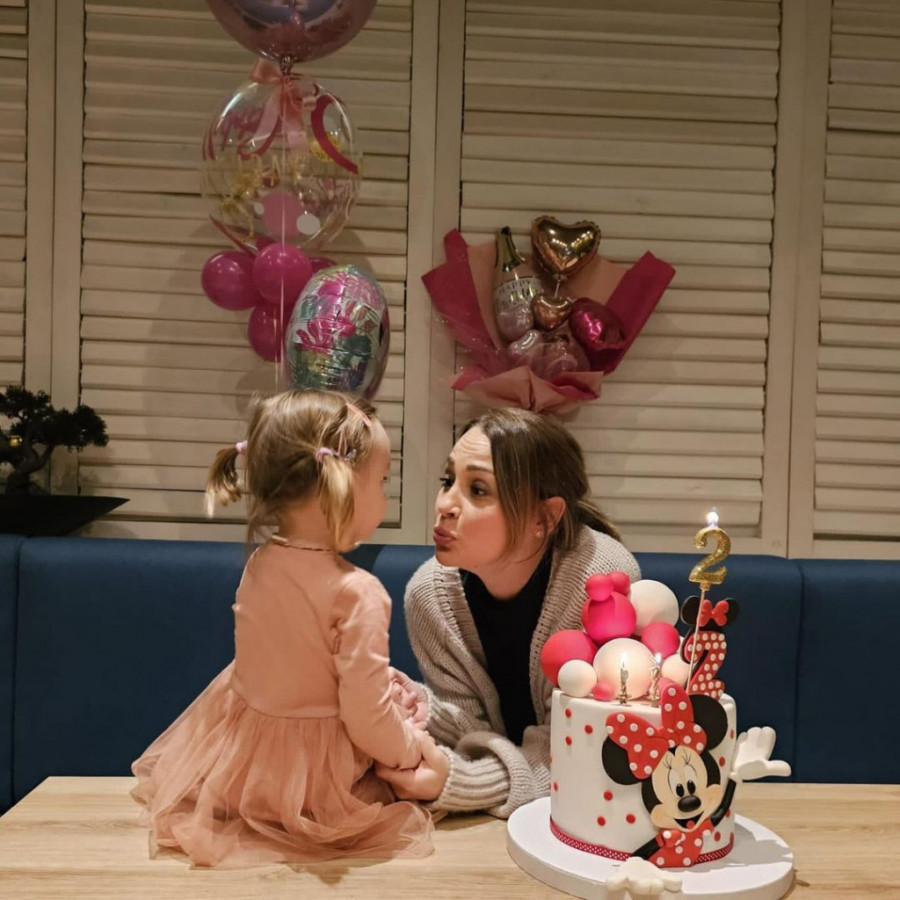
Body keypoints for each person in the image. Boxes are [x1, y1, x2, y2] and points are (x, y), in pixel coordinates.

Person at [132, 390, 434, 866]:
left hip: (239, 771)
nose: (384, 493)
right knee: (406, 750)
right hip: (315, 789)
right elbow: (368, 719)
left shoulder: (261, 564)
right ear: (338, 486)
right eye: (382, 480)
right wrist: (413, 749)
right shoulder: (359, 592)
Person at [377, 408, 641, 818]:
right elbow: (470, 729)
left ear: (544, 517)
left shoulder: (600, 583)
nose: (445, 504)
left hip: (595, 815)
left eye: (478, 490)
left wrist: (460, 783)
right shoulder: (428, 594)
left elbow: (584, 748)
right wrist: (422, 706)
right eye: (447, 481)